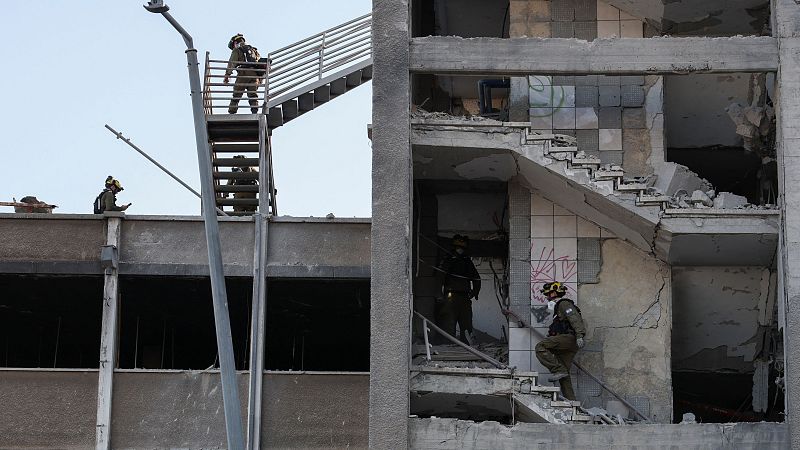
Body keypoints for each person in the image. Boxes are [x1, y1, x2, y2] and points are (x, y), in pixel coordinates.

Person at [535, 281, 586, 401]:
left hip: (568, 339)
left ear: (553, 293)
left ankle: (558, 369)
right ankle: (572, 402)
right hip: (568, 343)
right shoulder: (558, 309)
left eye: (548, 294)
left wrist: (580, 335)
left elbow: (574, 318)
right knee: (564, 375)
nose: (547, 298)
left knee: (540, 347)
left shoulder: (564, 304)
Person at [436, 234, 481, 344]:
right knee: (448, 323)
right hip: (451, 297)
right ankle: (448, 347)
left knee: (466, 324)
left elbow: (476, 278)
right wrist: (438, 295)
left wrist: (475, 292)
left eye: (462, 248)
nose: (460, 250)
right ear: (453, 247)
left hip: (465, 297)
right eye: (458, 247)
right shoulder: (448, 259)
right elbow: (439, 277)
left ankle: (466, 347)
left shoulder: (466, 261)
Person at [223, 34, 266, 114]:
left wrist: (227, 75)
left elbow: (232, 62)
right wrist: (260, 79)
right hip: (254, 76)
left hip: (243, 73)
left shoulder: (237, 50)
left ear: (235, 43)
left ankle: (232, 112)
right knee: (253, 94)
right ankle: (254, 111)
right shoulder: (253, 50)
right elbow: (259, 63)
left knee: (237, 94)